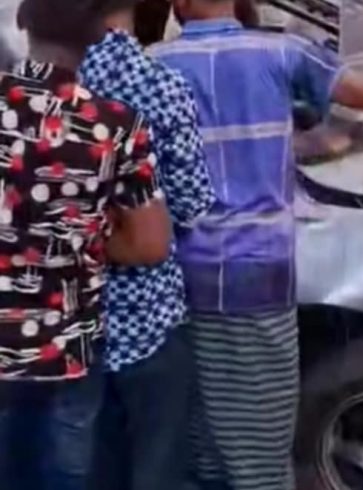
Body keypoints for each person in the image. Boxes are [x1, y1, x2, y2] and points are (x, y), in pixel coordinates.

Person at [150, 1, 363, 488]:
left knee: (206, 443)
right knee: (260, 449)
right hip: (259, 280)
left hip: (184, 281)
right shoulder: (284, 53)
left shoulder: (155, 66)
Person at [0, 0, 170, 489]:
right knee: (65, 475)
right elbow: (150, 244)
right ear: (97, 34)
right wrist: (77, 236)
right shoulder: (116, 125)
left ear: (22, 22)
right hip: (67, 350)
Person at [76, 1, 216, 490]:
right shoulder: (160, 84)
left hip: (67, 328)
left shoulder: (39, 91)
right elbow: (192, 205)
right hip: (149, 322)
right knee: (157, 470)